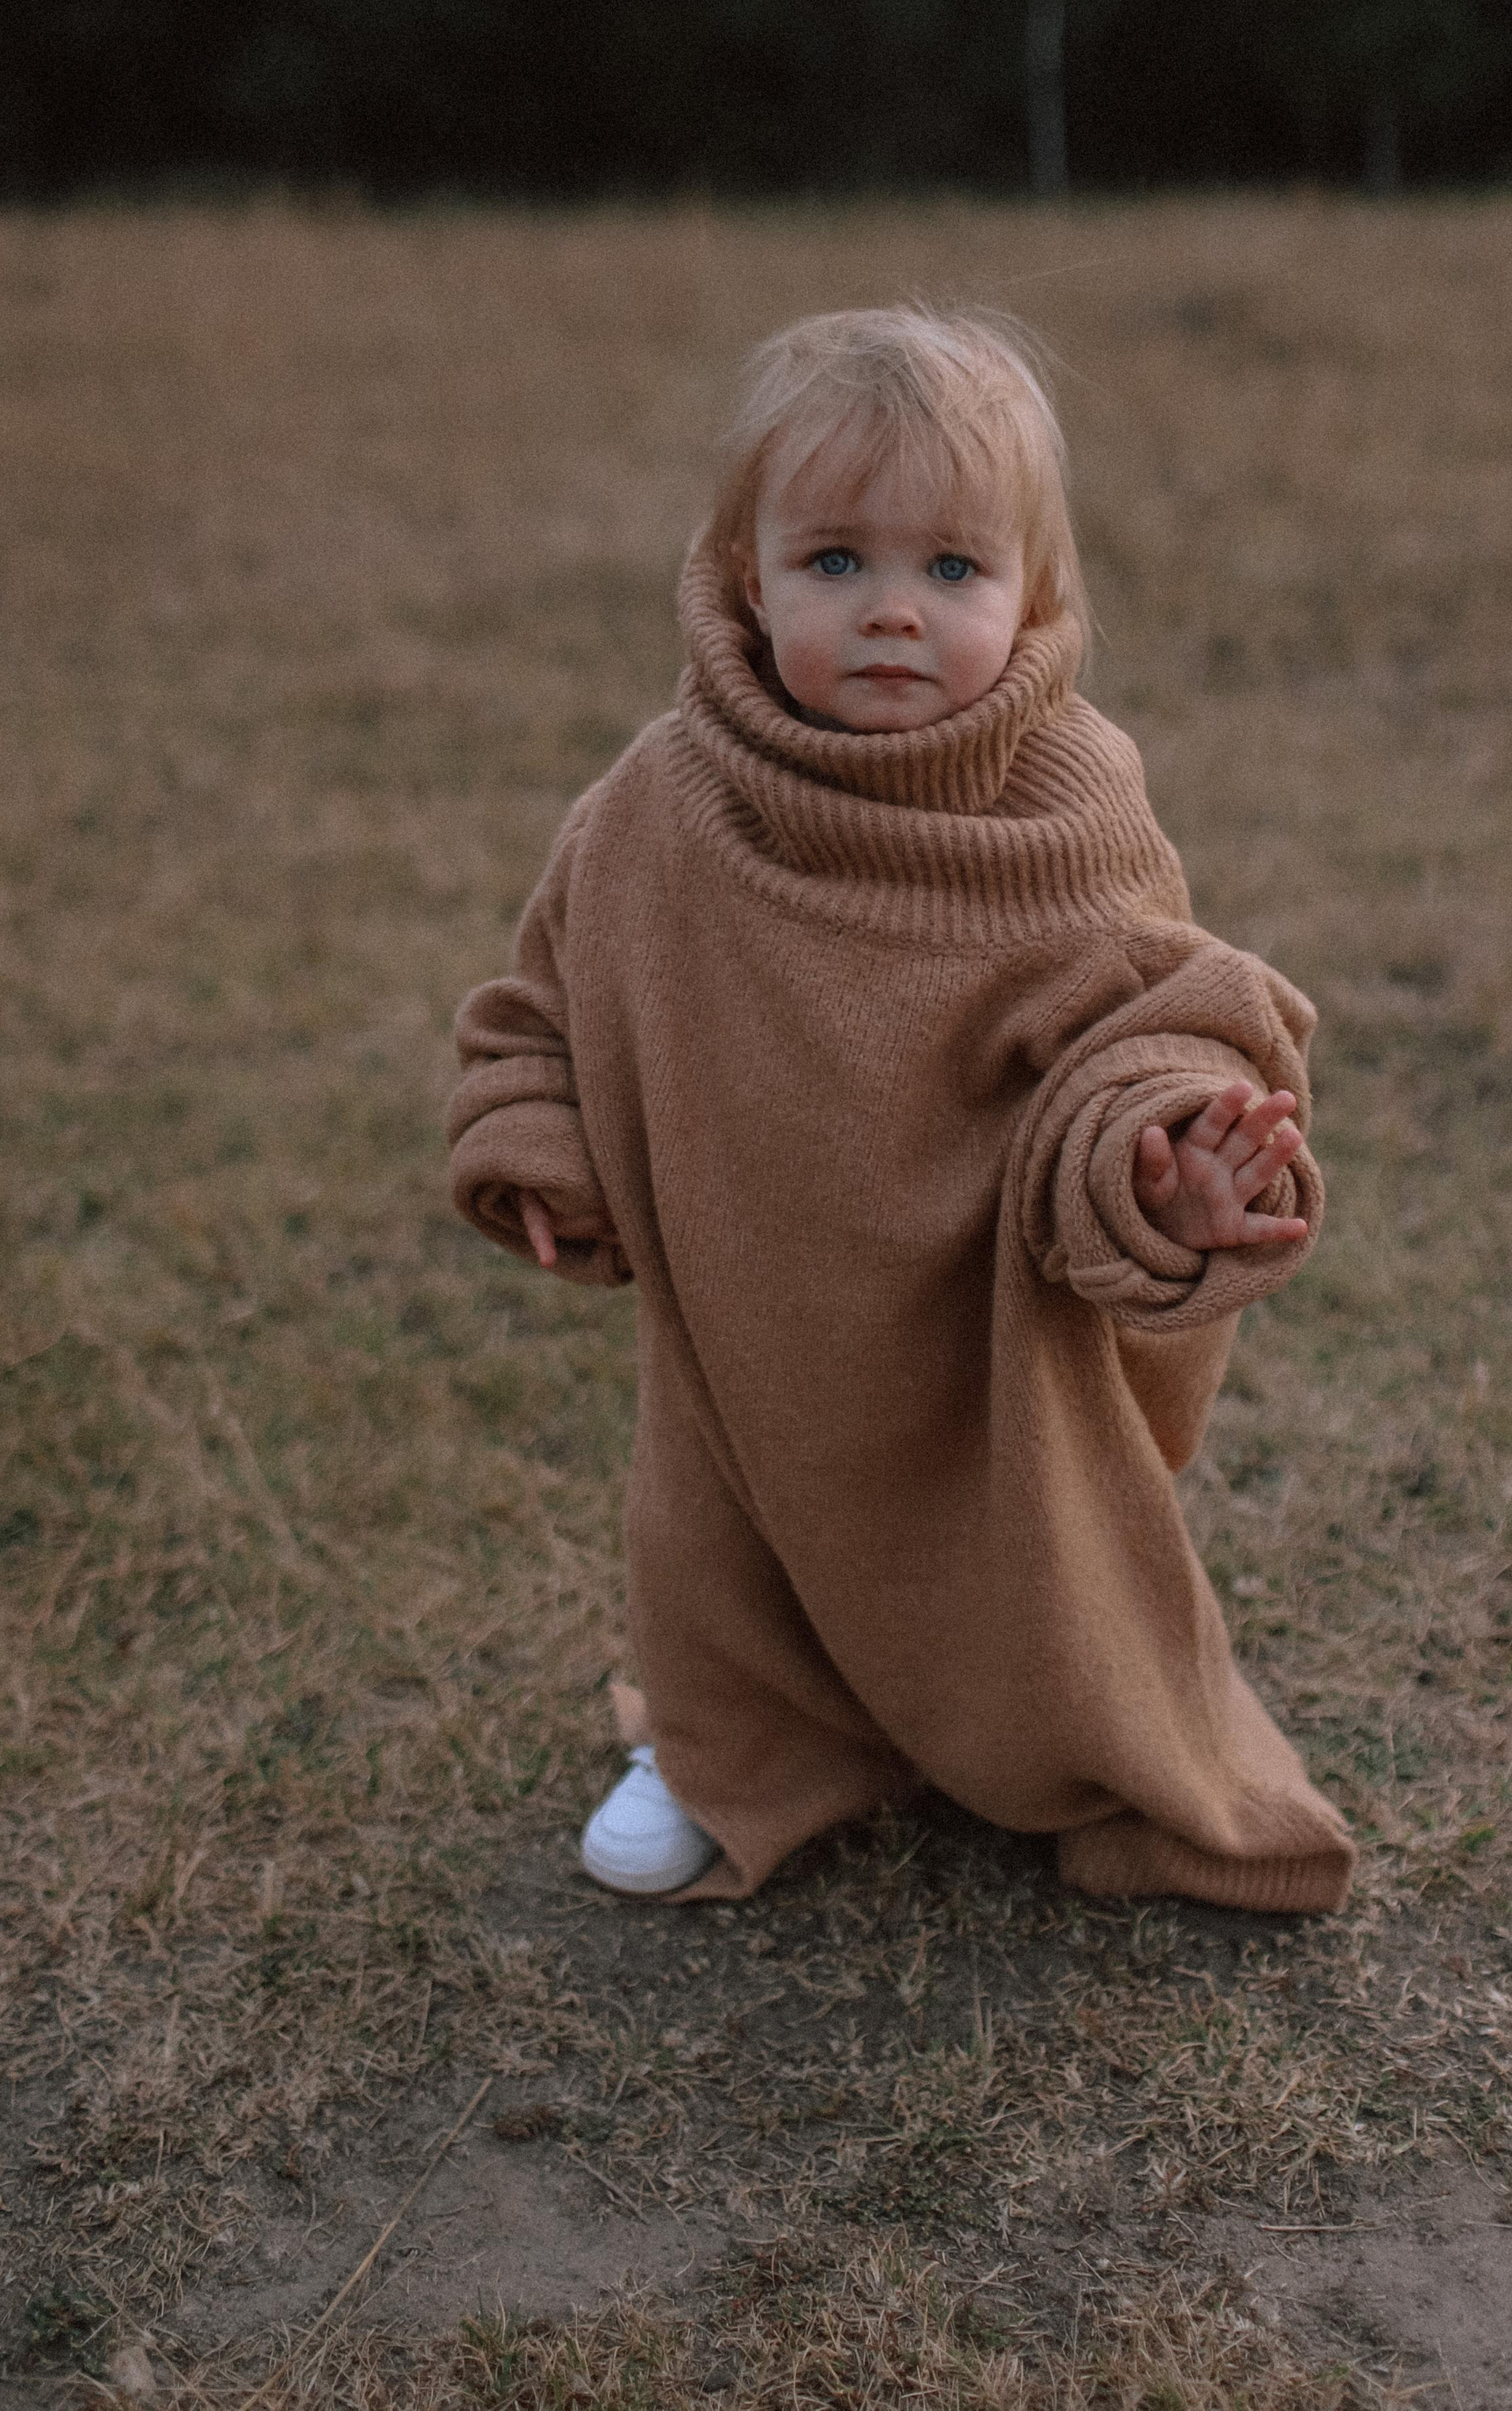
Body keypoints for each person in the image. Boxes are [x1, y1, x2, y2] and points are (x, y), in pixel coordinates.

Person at [448, 307, 1355, 1912]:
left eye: (950, 567)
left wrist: (1166, 1163)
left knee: (1015, 1572)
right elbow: (545, 1007)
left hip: (971, 1331)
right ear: (747, 578)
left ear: (1035, 592)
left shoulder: (1069, 812)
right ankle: (725, 1751)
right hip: (745, 1308)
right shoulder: (663, 802)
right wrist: (544, 1147)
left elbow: (1145, 1026)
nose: (890, 610)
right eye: (833, 561)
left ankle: (1032, 1741)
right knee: (716, 1554)